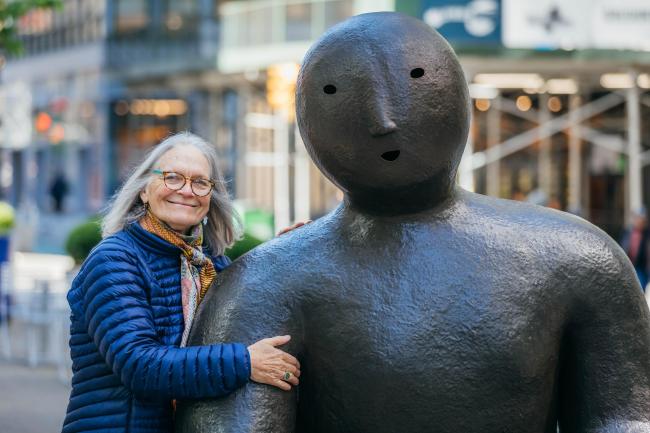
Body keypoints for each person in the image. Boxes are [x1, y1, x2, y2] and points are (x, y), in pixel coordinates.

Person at [177, 12, 650, 433]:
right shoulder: (265, 284)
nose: (383, 118)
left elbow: (625, 417)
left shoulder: (578, 259)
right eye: (338, 92)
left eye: (415, 77)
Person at [62, 132, 302, 433]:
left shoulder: (206, 263)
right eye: (173, 177)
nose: (187, 190)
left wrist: (289, 256)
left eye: (200, 182)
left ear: (211, 198)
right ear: (144, 190)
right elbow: (140, 366)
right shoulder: (114, 260)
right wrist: (245, 362)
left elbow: (248, 311)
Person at [621, 209, 650, 292]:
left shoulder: (647, 233)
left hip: (642, 267)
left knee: (640, 288)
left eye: (642, 219)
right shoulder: (628, 231)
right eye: (638, 218)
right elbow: (623, 245)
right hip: (629, 264)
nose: (639, 221)